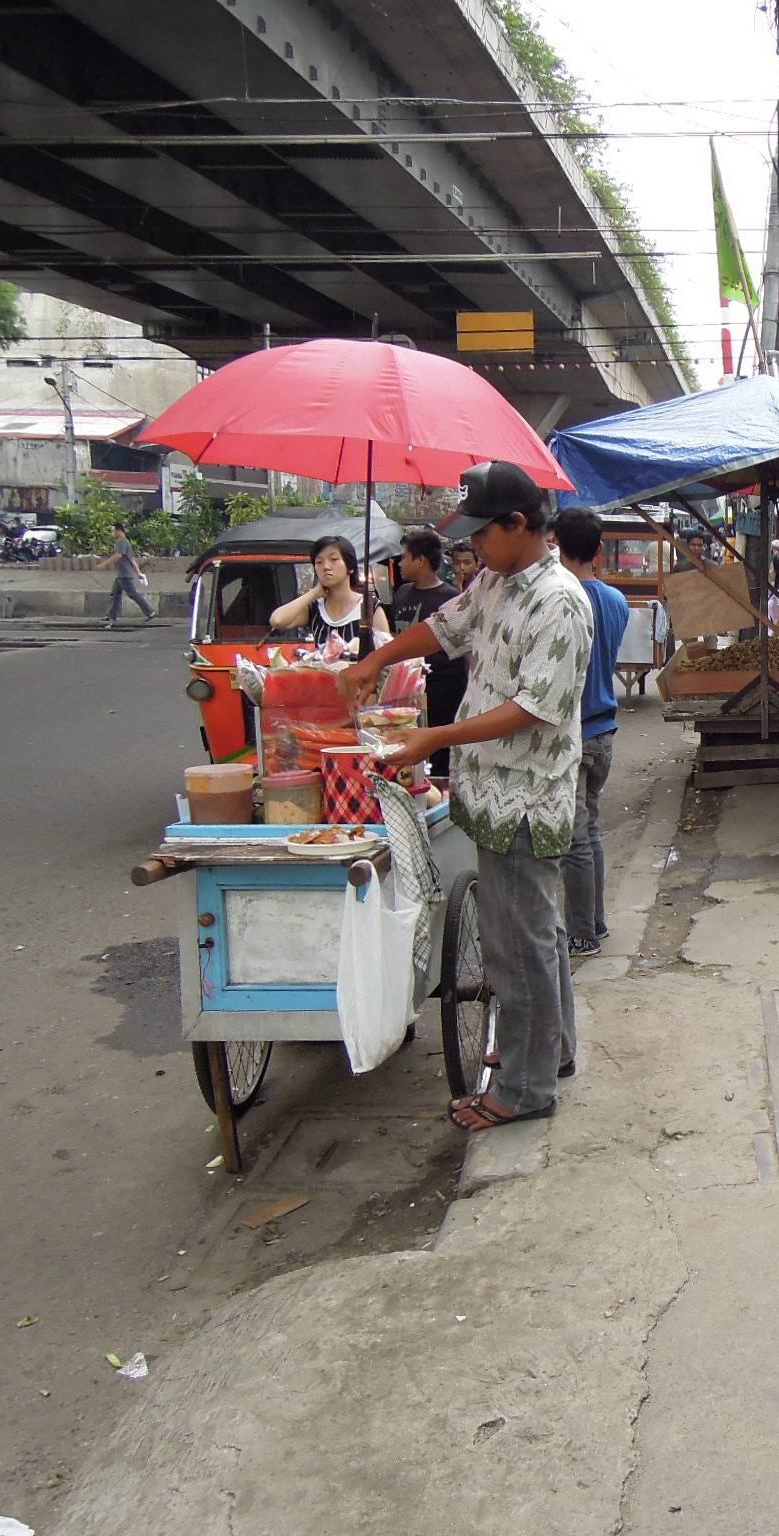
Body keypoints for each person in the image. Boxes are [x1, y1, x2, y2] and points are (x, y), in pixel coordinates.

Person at [335, 461, 590, 1133]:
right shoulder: (496, 583)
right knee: (536, 932)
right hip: (491, 792)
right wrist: (374, 661)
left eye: (482, 533)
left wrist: (433, 737)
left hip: (527, 800)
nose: (470, 548)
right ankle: (549, 1049)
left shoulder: (560, 601)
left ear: (517, 524)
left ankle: (527, 1087)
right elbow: (444, 628)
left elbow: (535, 708)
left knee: (520, 943)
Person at [552, 508, 629, 961]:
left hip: (574, 733)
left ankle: (582, 932)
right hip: (604, 731)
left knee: (575, 838)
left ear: (557, 544)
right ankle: (594, 920)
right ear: (599, 550)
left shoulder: (560, 599)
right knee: (590, 830)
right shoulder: (616, 602)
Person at [388, 526, 467, 779]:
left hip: (444, 690)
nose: (400, 564)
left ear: (420, 561)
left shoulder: (451, 598)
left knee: (440, 751)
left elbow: (465, 648)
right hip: (407, 692)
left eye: (404, 557)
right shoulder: (401, 594)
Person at [270, 534, 390, 658]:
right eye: (319, 562)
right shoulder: (316, 609)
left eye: (334, 559)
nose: (326, 567)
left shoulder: (370, 606)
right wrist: (313, 593)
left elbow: (387, 654)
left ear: (350, 567)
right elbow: (278, 620)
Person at [97, 521, 155, 627]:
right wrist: (138, 572)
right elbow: (131, 560)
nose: (112, 533)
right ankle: (111, 615)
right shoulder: (124, 542)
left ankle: (149, 611)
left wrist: (104, 564)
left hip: (124, 575)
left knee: (133, 594)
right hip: (121, 574)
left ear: (119, 531)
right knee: (115, 594)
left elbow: (118, 556)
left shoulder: (122, 542)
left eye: (113, 531)